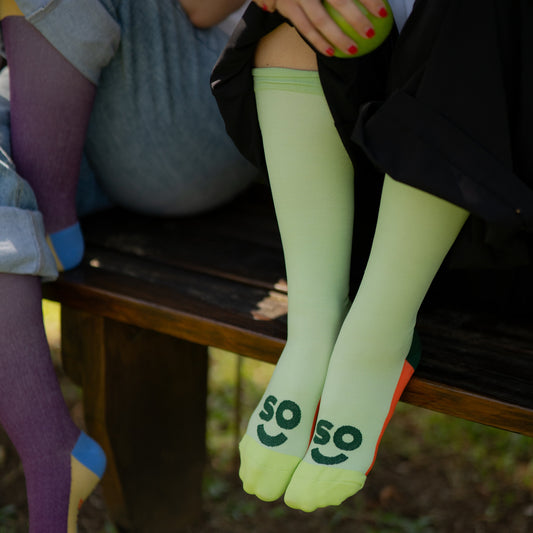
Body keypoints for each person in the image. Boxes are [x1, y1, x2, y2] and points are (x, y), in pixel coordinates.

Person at [211, 0, 533, 513]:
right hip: (351, 232)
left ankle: (374, 346)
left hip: (499, 221)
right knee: (304, 12)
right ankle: (314, 333)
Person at [0, 0, 254, 531]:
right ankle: (53, 457)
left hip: (189, 111)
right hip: (54, 108)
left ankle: (51, 219)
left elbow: (205, 8)